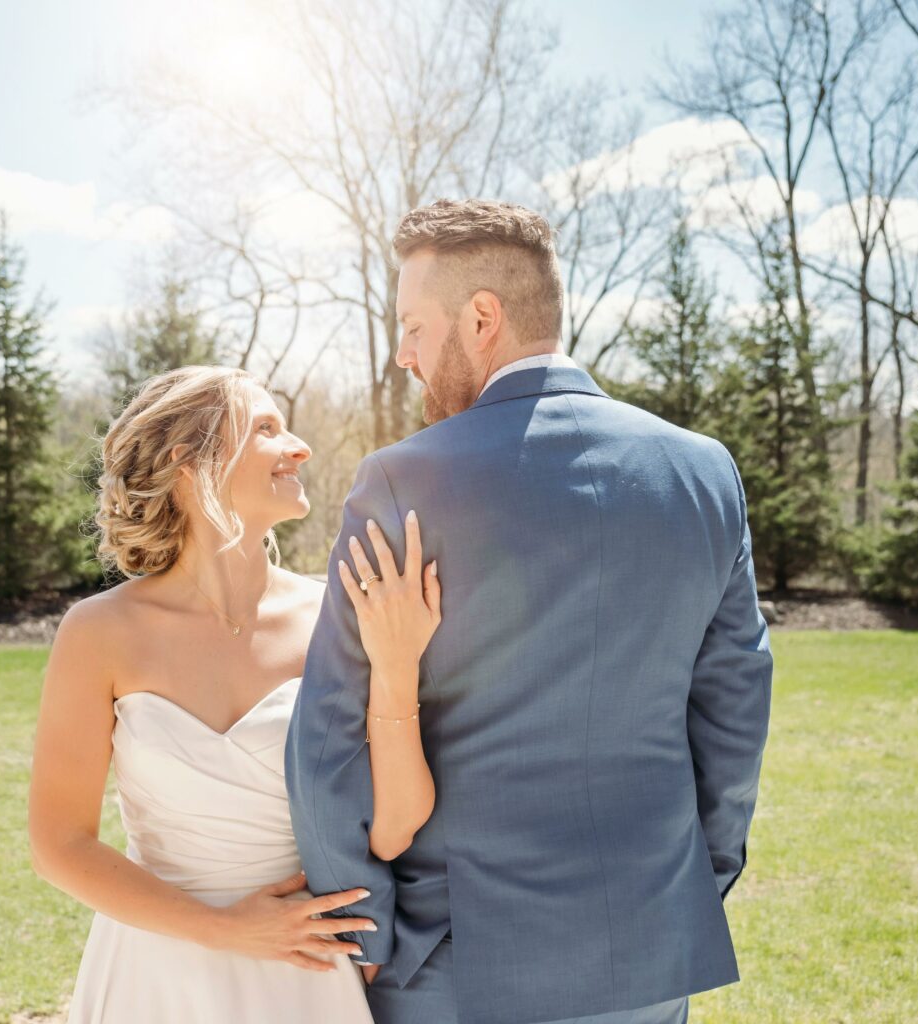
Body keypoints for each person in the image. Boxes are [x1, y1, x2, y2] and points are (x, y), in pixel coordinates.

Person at [286, 198, 773, 1024]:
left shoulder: (402, 484)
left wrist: (365, 943)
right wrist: (691, 882)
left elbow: (329, 744)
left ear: (482, 319)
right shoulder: (704, 473)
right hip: (648, 952)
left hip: (455, 967)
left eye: (413, 326)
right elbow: (733, 719)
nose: (402, 354)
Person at [27, 366, 438, 1023]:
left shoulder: (335, 617)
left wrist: (397, 669)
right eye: (267, 429)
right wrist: (227, 931)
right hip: (153, 973)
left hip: (304, 969)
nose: (299, 447)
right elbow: (59, 844)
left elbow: (396, 824)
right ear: (185, 462)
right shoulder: (99, 632)